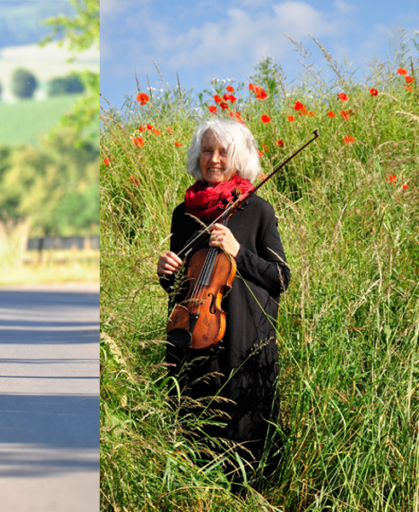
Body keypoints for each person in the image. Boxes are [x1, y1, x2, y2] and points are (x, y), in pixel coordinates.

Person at [156, 118, 290, 482]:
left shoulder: (257, 210)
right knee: (195, 436)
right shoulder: (184, 215)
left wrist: (239, 251)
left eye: (223, 152)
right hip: (194, 342)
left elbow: (281, 278)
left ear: (238, 158)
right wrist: (166, 273)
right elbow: (183, 287)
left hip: (242, 344)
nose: (213, 159)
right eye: (207, 151)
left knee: (242, 442)